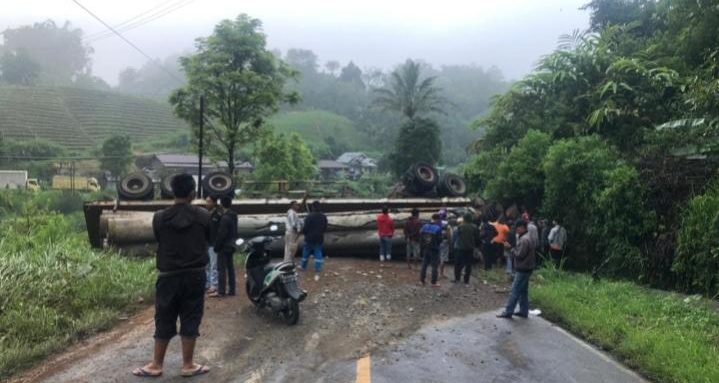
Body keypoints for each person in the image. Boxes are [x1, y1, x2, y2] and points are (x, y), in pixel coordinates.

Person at [132, 173, 210, 378]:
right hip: (195, 275)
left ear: (172, 192)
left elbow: (160, 238)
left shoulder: (159, 217)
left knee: (164, 316)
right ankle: (188, 365)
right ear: (193, 193)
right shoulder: (203, 216)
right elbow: (209, 239)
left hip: (168, 275)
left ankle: (156, 364)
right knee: (191, 316)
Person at [497, 220, 536, 319]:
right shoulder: (528, 237)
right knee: (523, 291)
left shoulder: (524, 240)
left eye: (517, 228)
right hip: (528, 268)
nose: (516, 230)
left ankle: (508, 311)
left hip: (523, 269)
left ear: (522, 227)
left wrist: (511, 249)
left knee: (515, 290)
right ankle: (523, 311)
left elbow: (519, 255)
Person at [211, 196, 238, 298]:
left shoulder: (224, 218)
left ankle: (221, 291)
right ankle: (232, 289)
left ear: (222, 204)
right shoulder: (233, 216)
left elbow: (221, 234)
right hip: (232, 244)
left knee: (221, 268)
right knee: (230, 267)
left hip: (224, 246)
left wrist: (217, 246)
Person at [302, 201, 328, 281]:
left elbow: (305, 228)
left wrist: (305, 233)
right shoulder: (323, 216)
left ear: (313, 207)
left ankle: (303, 266)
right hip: (319, 237)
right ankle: (318, 268)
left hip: (309, 237)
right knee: (318, 252)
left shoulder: (309, 216)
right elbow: (325, 227)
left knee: (306, 251)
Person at [453, 213, 480, 285]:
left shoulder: (460, 227)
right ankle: (466, 280)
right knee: (468, 265)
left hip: (460, 248)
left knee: (458, 264)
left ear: (464, 219)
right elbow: (477, 238)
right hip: (470, 248)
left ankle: (457, 279)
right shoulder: (474, 227)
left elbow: (455, 237)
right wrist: (476, 247)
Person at [419, 214, 443, 287]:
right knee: (434, 266)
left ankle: (422, 280)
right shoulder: (438, 228)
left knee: (424, 265)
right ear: (437, 220)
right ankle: (433, 282)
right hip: (434, 249)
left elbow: (420, 238)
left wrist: (422, 247)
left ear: (431, 219)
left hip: (426, 248)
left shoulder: (424, 226)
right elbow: (440, 240)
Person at [204, 195, 222, 294]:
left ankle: (214, 285)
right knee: (206, 265)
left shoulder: (218, 215)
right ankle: (206, 284)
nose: (207, 204)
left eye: (209, 202)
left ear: (214, 203)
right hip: (206, 243)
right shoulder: (205, 214)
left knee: (214, 265)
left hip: (214, 244)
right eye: (206, 202)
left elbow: (220, 230)